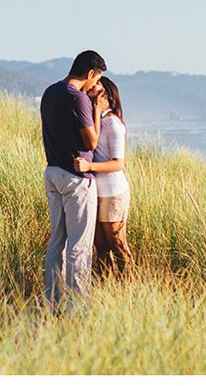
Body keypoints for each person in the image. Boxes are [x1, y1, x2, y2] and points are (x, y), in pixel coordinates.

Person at [39, 49, 107, 309]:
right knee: (80, 245)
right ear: (90, 73)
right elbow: (91, 140)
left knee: (56, 242)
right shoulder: (77, 98)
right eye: (96, 79)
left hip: (52, 171)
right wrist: (97, 109)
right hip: (76, 178)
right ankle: (77, 307)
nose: (95, 86)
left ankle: (53, 301)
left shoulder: (50, 92)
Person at [75, 75, 133, 276]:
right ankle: (105, 288)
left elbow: (119, 163)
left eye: (97, 84)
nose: (92, 85)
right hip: (98, 191)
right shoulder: (97, 121)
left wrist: (89, 166)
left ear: (106, 93)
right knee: (100, 245)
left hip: (113, 192)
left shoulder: (113, 124)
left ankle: (129, 287)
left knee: (117, 243)